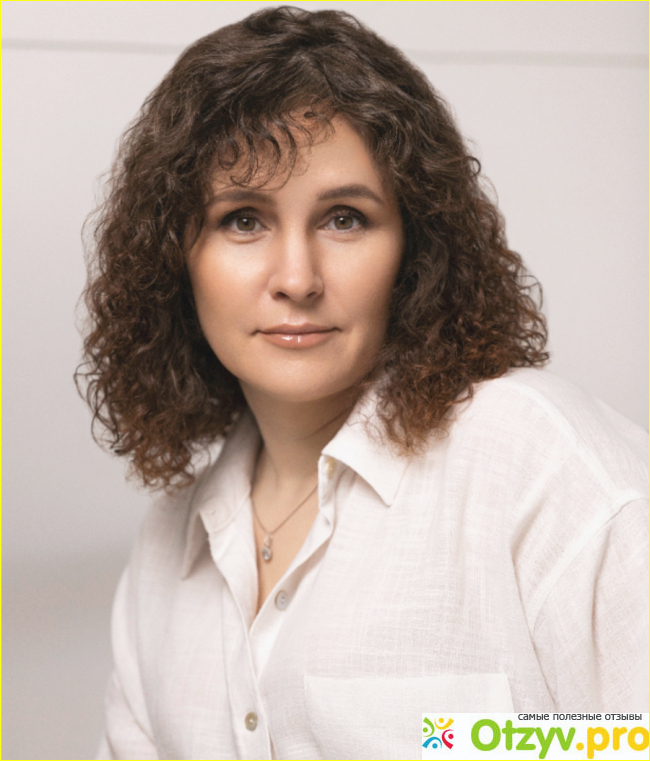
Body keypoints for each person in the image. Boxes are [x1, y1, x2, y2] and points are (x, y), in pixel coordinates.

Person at [77, 6, 648, 759]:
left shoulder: (536, 465)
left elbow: (631, 738)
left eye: (344, 218)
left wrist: (461, 740)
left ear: (417, 247)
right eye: (243, 220)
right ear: (173, 259)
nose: (297, 278)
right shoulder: (162, 557)